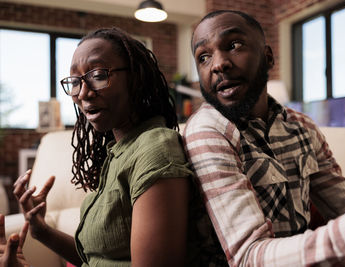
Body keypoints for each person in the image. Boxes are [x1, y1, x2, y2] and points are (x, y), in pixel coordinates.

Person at [182, 9, 345, 266]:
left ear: (268, 57)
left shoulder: (303, 126)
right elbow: (247, 257)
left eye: (234, 45)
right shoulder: (207, 131)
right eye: (203, 57)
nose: (218, 64)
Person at [9, 27, 205, 267]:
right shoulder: (117, 151)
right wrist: (41, 231)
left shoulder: (155, 149)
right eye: (75, 81)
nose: (83, 93)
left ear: (135, 78)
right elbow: (97, 260)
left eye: (99, 75)